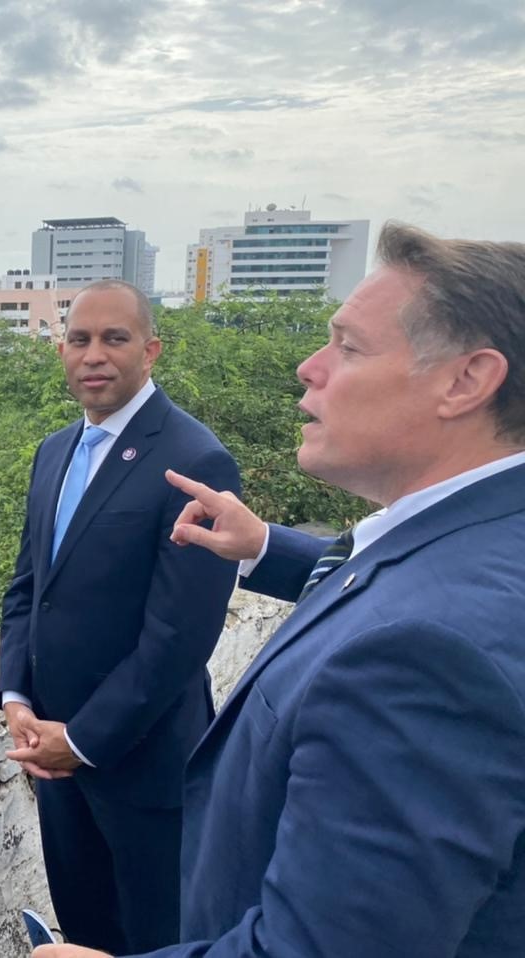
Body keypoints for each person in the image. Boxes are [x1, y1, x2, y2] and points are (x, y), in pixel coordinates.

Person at [34, 223, 525, 958]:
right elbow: (394, 574)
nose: (308, 367)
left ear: (465, 380)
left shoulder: (426, 655)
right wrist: (266, 547)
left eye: (348, 347)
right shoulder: (483, 535)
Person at [0, 280, 241, 952]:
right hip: (55, 767)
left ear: (151, 350)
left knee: (155, 939)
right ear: (61, 351)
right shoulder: (54, 453)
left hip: (142, 764)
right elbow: (27, 590)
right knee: (85, 933)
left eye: (115, 338)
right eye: (79, 339)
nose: (94, 355)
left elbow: (179, 637)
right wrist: (16, 694)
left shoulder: (194, 459)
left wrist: (79, 741)